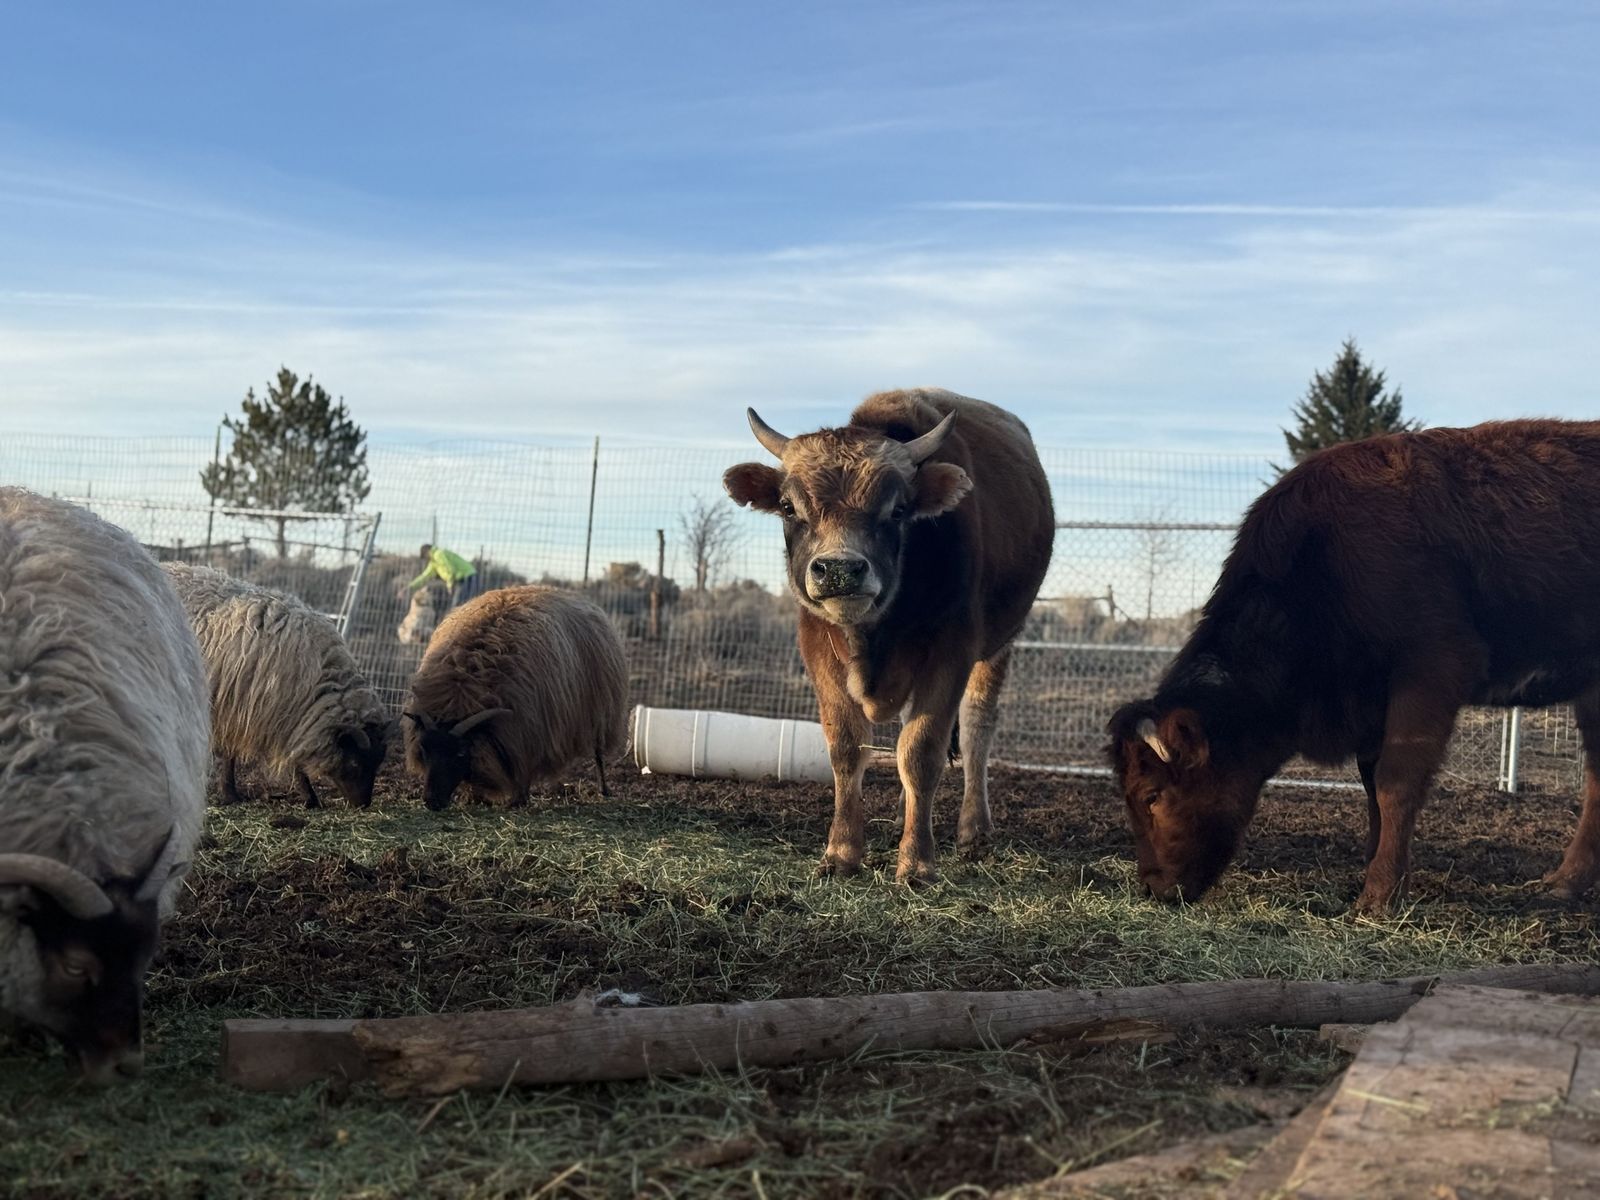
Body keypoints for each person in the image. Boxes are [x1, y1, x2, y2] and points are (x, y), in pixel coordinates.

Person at [409, 543, 478, 611]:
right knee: (459, 603)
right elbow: (425, 576)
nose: (426, 558)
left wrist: (449, 585)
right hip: (461, 578)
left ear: (427, 551)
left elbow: (450, 569)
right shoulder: (434, 562)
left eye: (425, 556)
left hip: (467, 575)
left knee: (461, 603)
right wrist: (410, 586)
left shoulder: (438, 554)